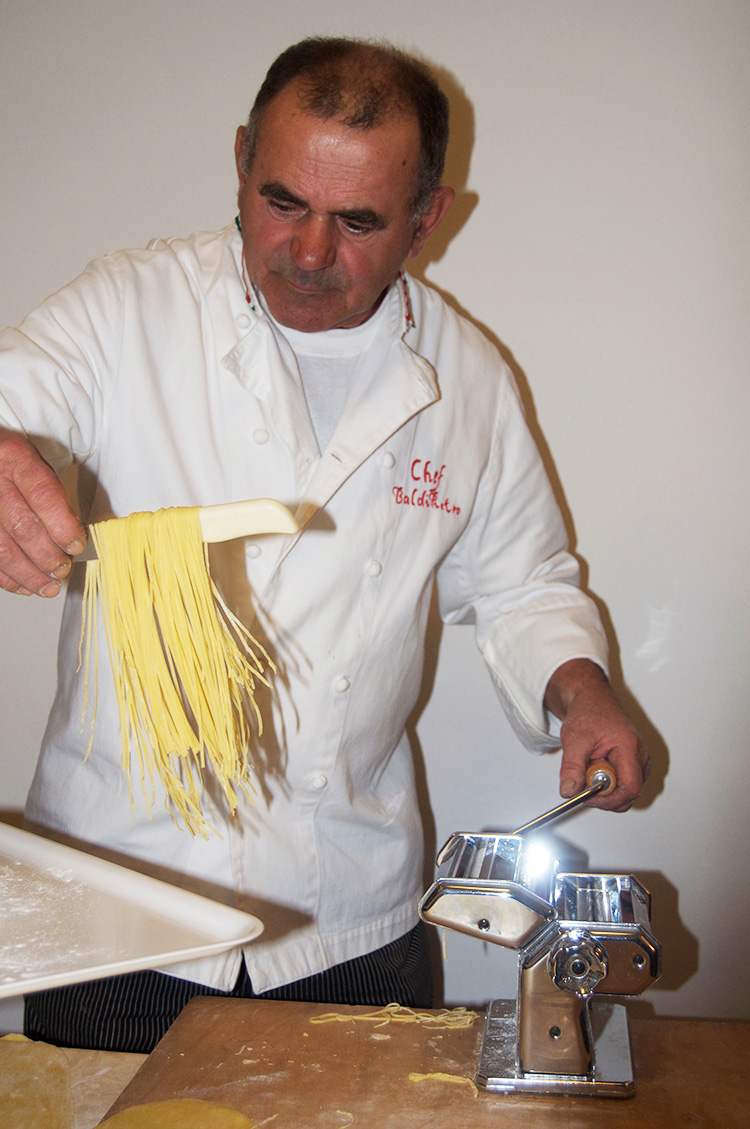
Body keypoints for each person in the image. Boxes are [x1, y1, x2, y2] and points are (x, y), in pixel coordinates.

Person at [0, 37, 648, 1052]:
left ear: (430, 217)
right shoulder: (128, 309)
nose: (308, 251)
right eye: (282, 200)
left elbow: (523, 580)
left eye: (357, 221)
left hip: (353, 919)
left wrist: (582, 685)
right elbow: (13, 395)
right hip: (120, 912)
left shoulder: (466, 377)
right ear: (241, 158)